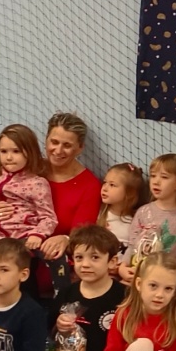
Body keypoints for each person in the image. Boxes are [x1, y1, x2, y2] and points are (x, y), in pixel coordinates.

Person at [34, 226, 125, 351]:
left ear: (112, 262)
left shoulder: (123, 297)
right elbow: (49, 331)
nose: (85, 264)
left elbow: (132, 339)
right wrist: (58, 326)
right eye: (79, 257)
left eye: (95, 257)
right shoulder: (67, 293)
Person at [0, 124, 57, 251]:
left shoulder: (37, 183)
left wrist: (37, 234)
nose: (9, 157)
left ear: (30, 152)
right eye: (3, 151)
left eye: (16, 151)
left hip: (24, 241)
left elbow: (48, 217)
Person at [37, 113, 102, 265]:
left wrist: (66, 239)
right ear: (46, 140)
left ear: (80, 148)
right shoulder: (31, 169)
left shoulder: (89, 185)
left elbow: (82, 234)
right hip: (18, 247)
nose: (58, 150)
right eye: (54, 142)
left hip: (56, 258)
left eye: (67, 145)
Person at [131, 153, 176, 270]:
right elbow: (132, 245)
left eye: (164, 177)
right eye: (153, 176)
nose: (156, 181)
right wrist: (123, 267)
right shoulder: (143, 212)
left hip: (174, 272)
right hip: (143, 270)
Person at [98, 162, 144, 266]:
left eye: (112, 185)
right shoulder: (99, 214)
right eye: (105, 182)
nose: (104, 188)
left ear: (130, 192)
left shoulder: (136, 221)